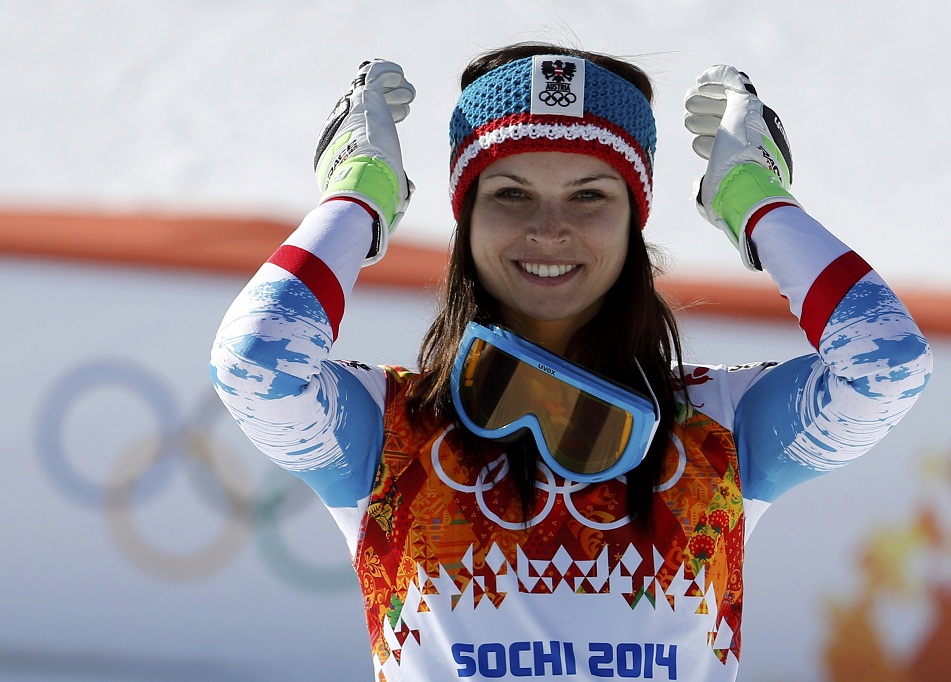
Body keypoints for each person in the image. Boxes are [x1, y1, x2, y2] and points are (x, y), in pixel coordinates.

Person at [210, 43, 932, 681]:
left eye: (589, 196)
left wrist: (749, 196)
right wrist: (362, 187)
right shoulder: (392, 429)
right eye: (509, 194)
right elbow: (256, 360)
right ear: (465, 224)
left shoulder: (715, 430)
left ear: (633, 221)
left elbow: (885, 364)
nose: (547, 229)